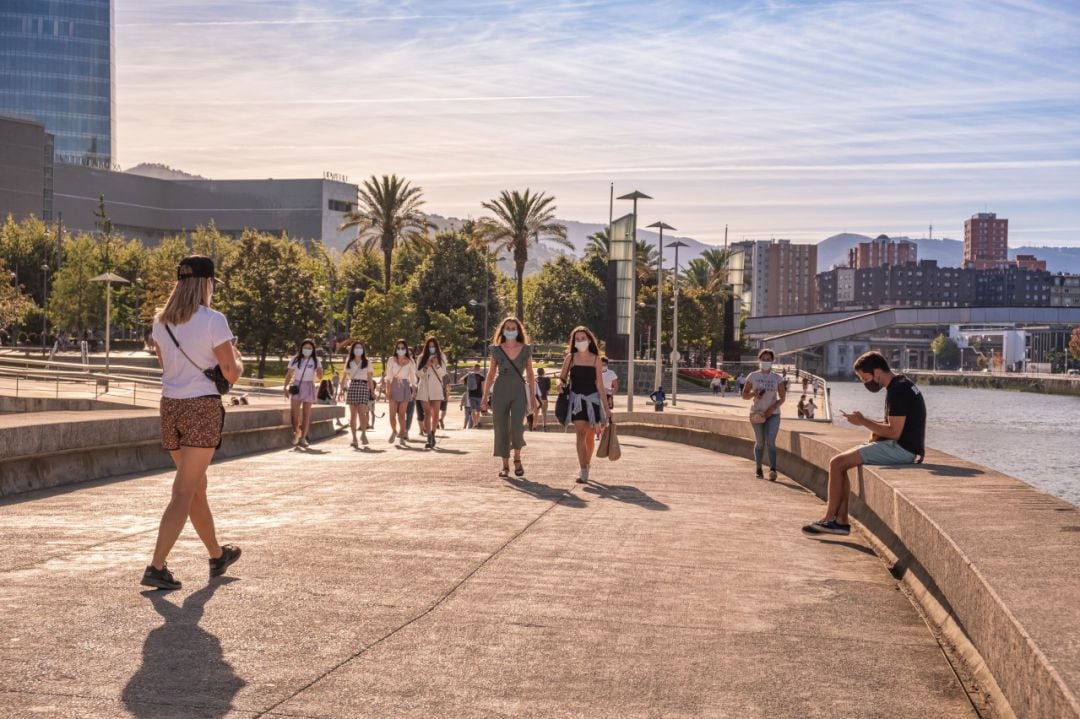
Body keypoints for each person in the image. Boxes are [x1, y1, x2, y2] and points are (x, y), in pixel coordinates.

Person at [143, 255, 242, 590]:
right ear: (207, 283)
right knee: (184, 490)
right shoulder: (214, 320)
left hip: (171, 407)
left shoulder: (160, 322)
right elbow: (230, 373)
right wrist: (237, 361)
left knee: (196, 487)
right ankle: (156, 566)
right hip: (201, 408)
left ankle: (217, 555)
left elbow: (166, 367)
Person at [803, 351, 925, 536]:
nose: (864, 383)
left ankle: (830, 519)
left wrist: (862, 421)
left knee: (836, 463)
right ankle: (841, 521)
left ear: (876, 372)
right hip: (905, 447)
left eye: (864, 378)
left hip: (902, 449)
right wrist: (873, 430)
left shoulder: (897, 390)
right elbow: (895, 426)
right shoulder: (901, 384)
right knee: (841, 464)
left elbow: (894, 432)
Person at [480, 317, 538, 478]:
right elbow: (491, 374)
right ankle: (505, 465)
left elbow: (531, 374)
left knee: (517, 426)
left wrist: (533, 396)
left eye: (513, 328)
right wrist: (485, 396)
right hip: (500, 390)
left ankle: (517, 459)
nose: (510, 330)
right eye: (507, 328)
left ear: (518, 330)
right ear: (502, 330)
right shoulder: (496, 350)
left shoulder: (526, 349)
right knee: (501, 427)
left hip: (519, 390)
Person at [558, 326, 608, 484]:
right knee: (580, 432)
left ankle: (587, 463)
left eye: (583, 338)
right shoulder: (570, 358)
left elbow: (600, 385)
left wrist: (607, 409)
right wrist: (560, 383)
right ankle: (583, 470)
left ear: (589, 340)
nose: (580, 341)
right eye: (577, 339)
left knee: (590, 436)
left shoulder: (596, 360)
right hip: (576, 400)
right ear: (574, 342)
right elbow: (562, 377)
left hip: (593, 401)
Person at [742, 348, 785, 481]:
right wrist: (754, 394)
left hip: (773, 414)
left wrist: (773, 408)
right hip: (757, 414)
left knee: (771, 441)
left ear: (772, 361)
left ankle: (773, 469)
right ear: (759, 360)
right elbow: (744, 395)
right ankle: (758, 468)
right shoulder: (753, 376)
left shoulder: (777, 378)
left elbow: (782, 398)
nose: (766, 362)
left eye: (768, 360)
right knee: (760, 442)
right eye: (764, 359)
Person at [283, 338, 323, 448]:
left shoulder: (315, 360)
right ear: (301, 348)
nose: (307, 350)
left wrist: (320, 372)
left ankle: (303, 438)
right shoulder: (295, 359)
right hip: (297, 386)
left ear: (313, 349)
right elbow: (289, 374)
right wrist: (285, 387)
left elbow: (320, 375)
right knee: (294, 414)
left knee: (306, 414)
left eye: (310, 348)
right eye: (305, 347)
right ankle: (297, 432)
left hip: (309, 386)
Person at [341, 340, 375, 447]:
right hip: (353, 386)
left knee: (363, 413)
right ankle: (354, 438)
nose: (358, 350)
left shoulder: (367, 362)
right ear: (352, 350)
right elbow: (344, 376)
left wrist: (372, 392)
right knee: (353, 415)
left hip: (363, 387)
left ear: (363, 350)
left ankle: (363, 434)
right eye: (356, 348)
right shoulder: (349, 361)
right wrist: (342, 386)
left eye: (360, 348)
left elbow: (370, 378)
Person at [416, 336, 448, 449]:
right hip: (424, 389)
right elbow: (418, 374)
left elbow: (443, 373)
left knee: (435, 415)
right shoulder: (421, 358)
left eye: (433, 346)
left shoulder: (442, 357)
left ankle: (433, 433)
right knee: (427, 413)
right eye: (429, 346)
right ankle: (429, 436)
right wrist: (426, 365)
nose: (431, 348)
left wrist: (436, 364)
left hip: (436, 389)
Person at [383, 339, 417, 446]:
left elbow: (413, 378)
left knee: (402, 415)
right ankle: (394, 431)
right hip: (393, 385)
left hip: (405, 387)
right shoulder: (391, 360)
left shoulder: (410, 361)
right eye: (398, 348)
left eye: (403, 348)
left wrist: (414, 391)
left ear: (406, 349)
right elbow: (388, 377)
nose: (401, 350)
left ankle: (402, 435)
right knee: (392, 414)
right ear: (396, 349)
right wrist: (388, 390)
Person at [463, 362, 485, 429]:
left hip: (471, 395)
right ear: (479, 369)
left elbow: (461, 381)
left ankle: (474, 423)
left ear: (473, 368)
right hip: (479, 395)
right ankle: (477, 422)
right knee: (478, 410)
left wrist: (468, 386)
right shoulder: (481, 377)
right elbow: (482, 387)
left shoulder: (469, 375)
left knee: (473, 409)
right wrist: (484, 395)